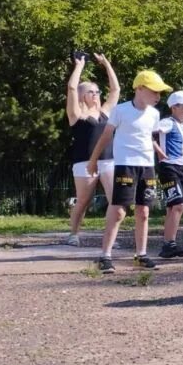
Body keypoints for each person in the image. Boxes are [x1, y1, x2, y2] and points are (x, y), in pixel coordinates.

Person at [87, 70, 173, 274]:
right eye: (154, 91)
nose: (158, 96)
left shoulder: (154, 114)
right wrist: (93, 161)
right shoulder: (121, 110)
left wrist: (159, 152)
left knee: (144, 211)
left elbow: (147, 137)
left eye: (160, 92)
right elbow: (106, 136)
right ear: (140, 88)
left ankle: (141, 255)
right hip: (125, 164)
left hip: (147, 166)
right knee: (118, 211)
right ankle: (105, 257)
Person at [65, 53, 120, 247]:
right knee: (83, 201)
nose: (96, 94)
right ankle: (74, 234)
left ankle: (110, 237)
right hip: (84, 162)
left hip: (108, 161)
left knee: (116, 199)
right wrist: (80, 65)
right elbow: (71, 87)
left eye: (97, 91)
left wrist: (106, 63)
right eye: (91, 91)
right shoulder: (76, 115)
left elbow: (115, 89)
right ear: (81, 96)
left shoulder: (105, 112)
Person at [154, 90, 183, 259]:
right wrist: (159, 152)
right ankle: (169, 243)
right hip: (169, 167)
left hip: (182, 168)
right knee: (179, 204)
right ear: (174, 108)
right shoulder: (167, 123)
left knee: (172, 207)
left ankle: (168, 243)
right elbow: (148, 132)